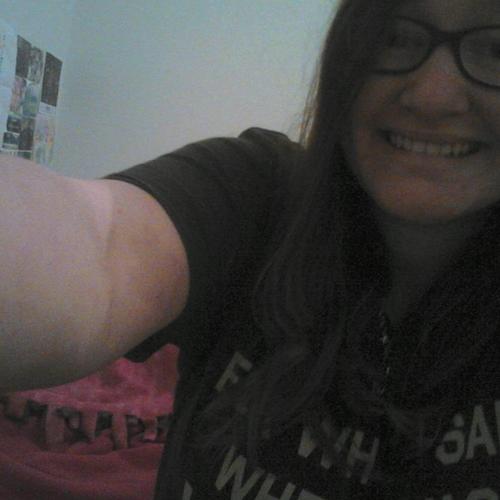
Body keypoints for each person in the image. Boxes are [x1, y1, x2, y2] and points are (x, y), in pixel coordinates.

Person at [2, 0, 500, 497]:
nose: (433, 96)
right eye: (394, 39)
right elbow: (101, 240)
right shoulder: (257, 194)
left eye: (496, 49)